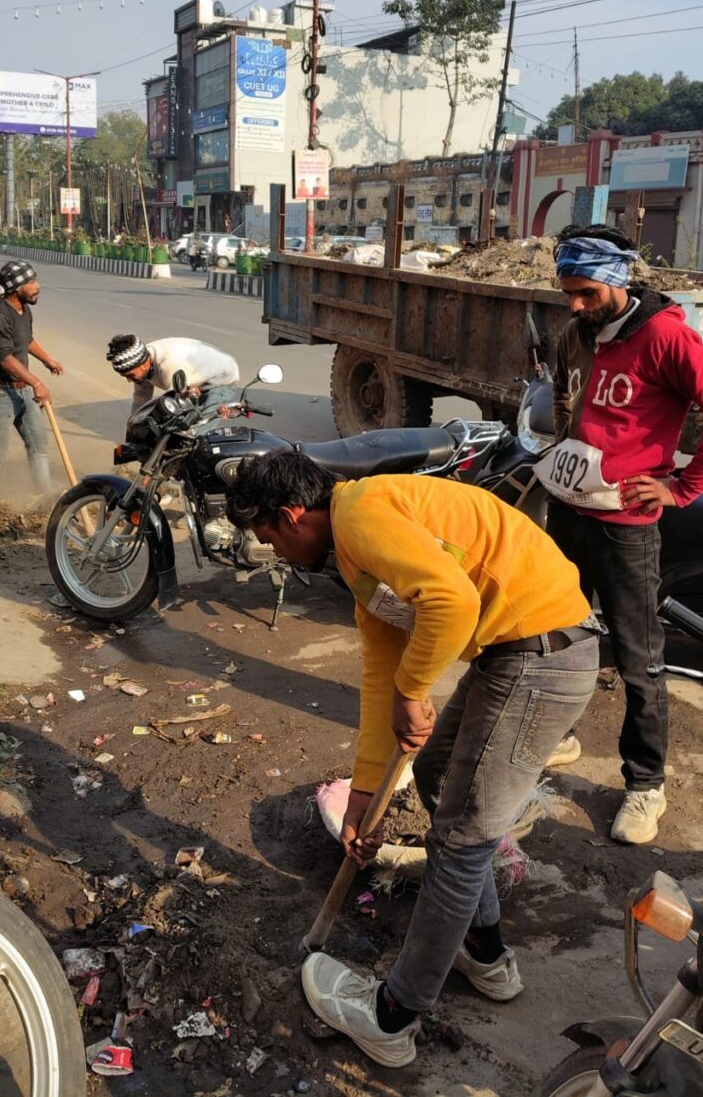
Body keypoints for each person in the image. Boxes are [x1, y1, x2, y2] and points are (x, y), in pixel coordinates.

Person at [225, 452, 598, 1067]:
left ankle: (392, 1017)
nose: (278, 555)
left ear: (292, 517)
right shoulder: (360, 555)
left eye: (269, 540)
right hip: (516, 653)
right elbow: (381, 678)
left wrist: (413, 690)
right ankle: (480, 948)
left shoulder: (363, 513)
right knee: (434, 771)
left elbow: (451, 602)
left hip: (542, 657)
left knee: (461, 839)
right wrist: (365, 797)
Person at [539, 225, 703, 844]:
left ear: (616, 279)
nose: (575, 304)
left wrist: (681, 488)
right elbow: (563, 393)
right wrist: (564, 449)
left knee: (639, 660)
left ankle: (644, 786)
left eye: (584, 292)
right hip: (568, 513)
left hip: (627, 526)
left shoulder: (666, 337)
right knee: (558, 632)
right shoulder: (574, 332)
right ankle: (562, 734)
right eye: (567, 293)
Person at [0, 261, 63, 503]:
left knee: (39, 447)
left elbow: (27, 340)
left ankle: (46, 503)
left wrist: (48, 360)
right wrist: (37, 382)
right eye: (31, 283)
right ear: (15, 288)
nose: (37, 286)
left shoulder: (24, 309)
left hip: (23, 392)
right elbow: (4, 358)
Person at [106, 333, 240, 422]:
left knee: (198, 427)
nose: (129, 380)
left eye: (130, 375)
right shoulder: (141, 365)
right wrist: (133, 424)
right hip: (191, 380)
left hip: (220, 377)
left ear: (143, 363)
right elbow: (141, 399)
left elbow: (174, 403)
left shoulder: (169, 365)